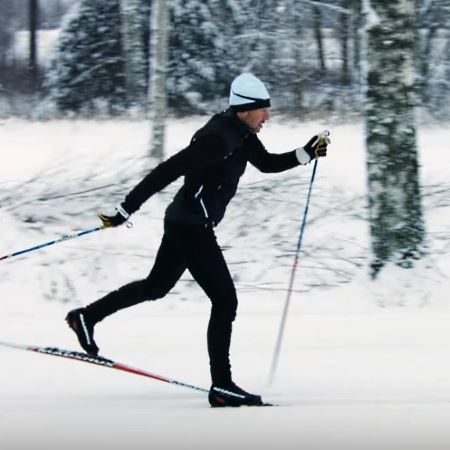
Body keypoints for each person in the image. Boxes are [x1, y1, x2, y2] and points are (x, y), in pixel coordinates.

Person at [65, 73, 329, 407]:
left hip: (183, 222)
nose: (268, 117)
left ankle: (86, 317)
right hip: (191, 227)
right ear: (244, 110)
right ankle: (222, 385)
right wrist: (125, 209)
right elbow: (168, 170)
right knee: (225, 301)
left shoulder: (242, 134)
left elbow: (267, 163)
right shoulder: (217, 138)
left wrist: (307, 152)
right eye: (263, 110)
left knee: (155, 287)